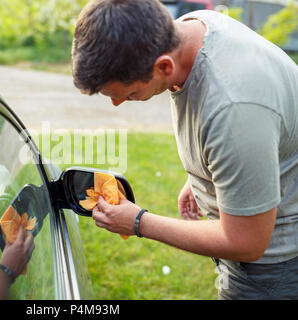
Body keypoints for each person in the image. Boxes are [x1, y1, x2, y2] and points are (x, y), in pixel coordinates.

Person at [71, 0, 298, 299]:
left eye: (128, 93)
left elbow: (247, 242)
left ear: (164, 65)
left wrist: (139, 221)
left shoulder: (235, 108)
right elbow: (250, 139)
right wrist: (209, 175)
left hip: (274, 269)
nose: (117, 103)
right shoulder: (192, 28)